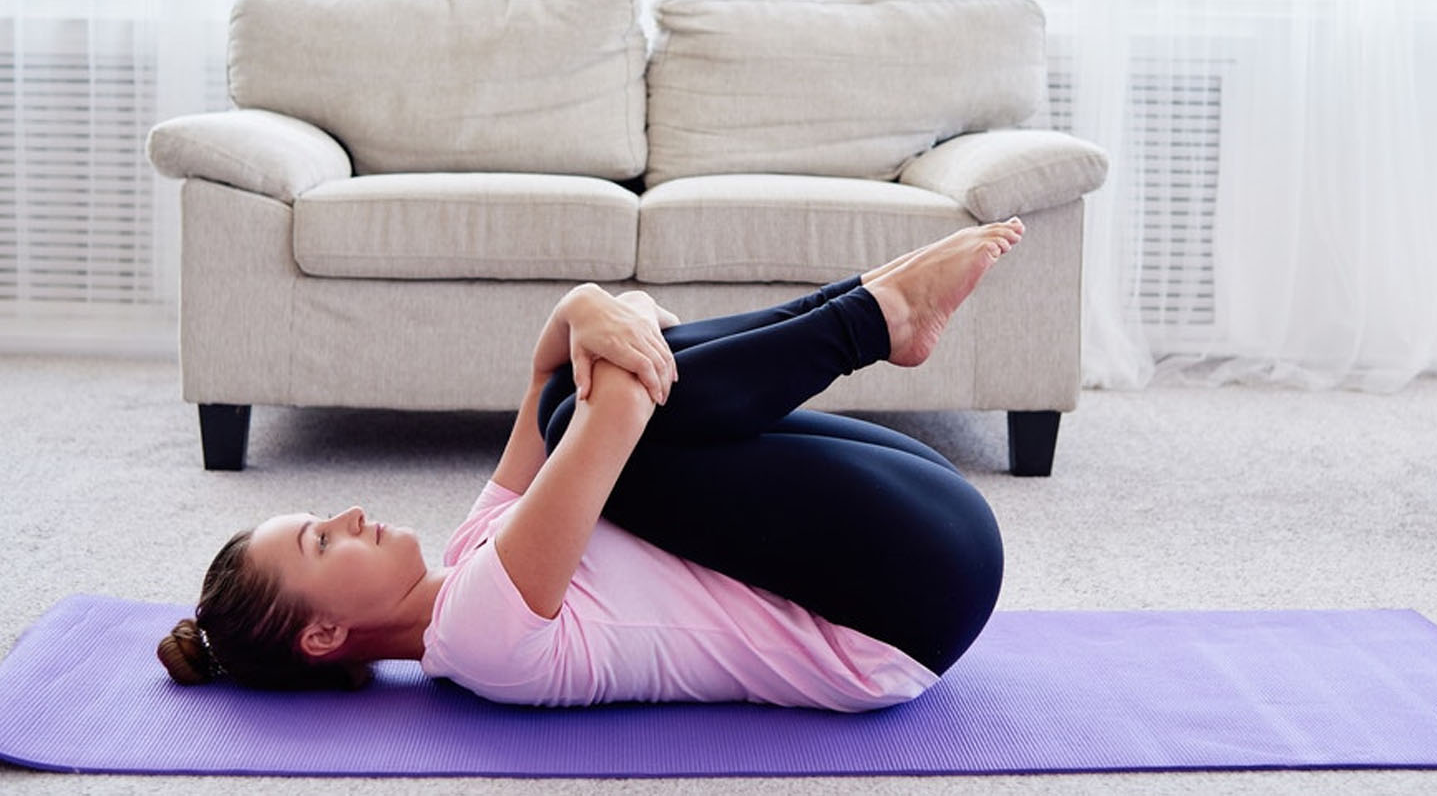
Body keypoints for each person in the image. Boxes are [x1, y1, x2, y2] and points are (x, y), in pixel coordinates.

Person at [156, 217, 1024, 712]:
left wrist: (587, 308)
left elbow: (547, 372)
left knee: (568, 407)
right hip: (903, 606)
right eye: (318, 543)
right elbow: (613, 406)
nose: (345, 515)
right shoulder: (476, 637)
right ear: (323, 636)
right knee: (595, 425)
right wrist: (613, 311)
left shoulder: (472, 555)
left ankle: (873, 310)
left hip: (913, 514)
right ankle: (870, 314)